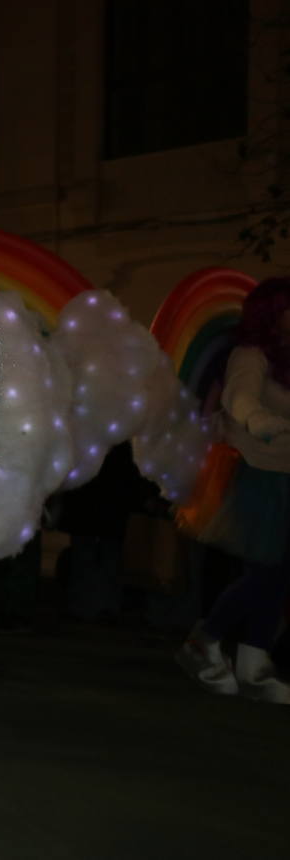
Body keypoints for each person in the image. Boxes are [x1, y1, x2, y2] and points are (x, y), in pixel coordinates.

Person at [177, 277, 290, 704]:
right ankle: (203, 641)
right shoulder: (250, 354)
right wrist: (257, 420)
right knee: (264, 570)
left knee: (279, 575)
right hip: (257, 473)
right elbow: (240, 399)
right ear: (272, 314)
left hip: (285, 472)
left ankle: (253, 662)